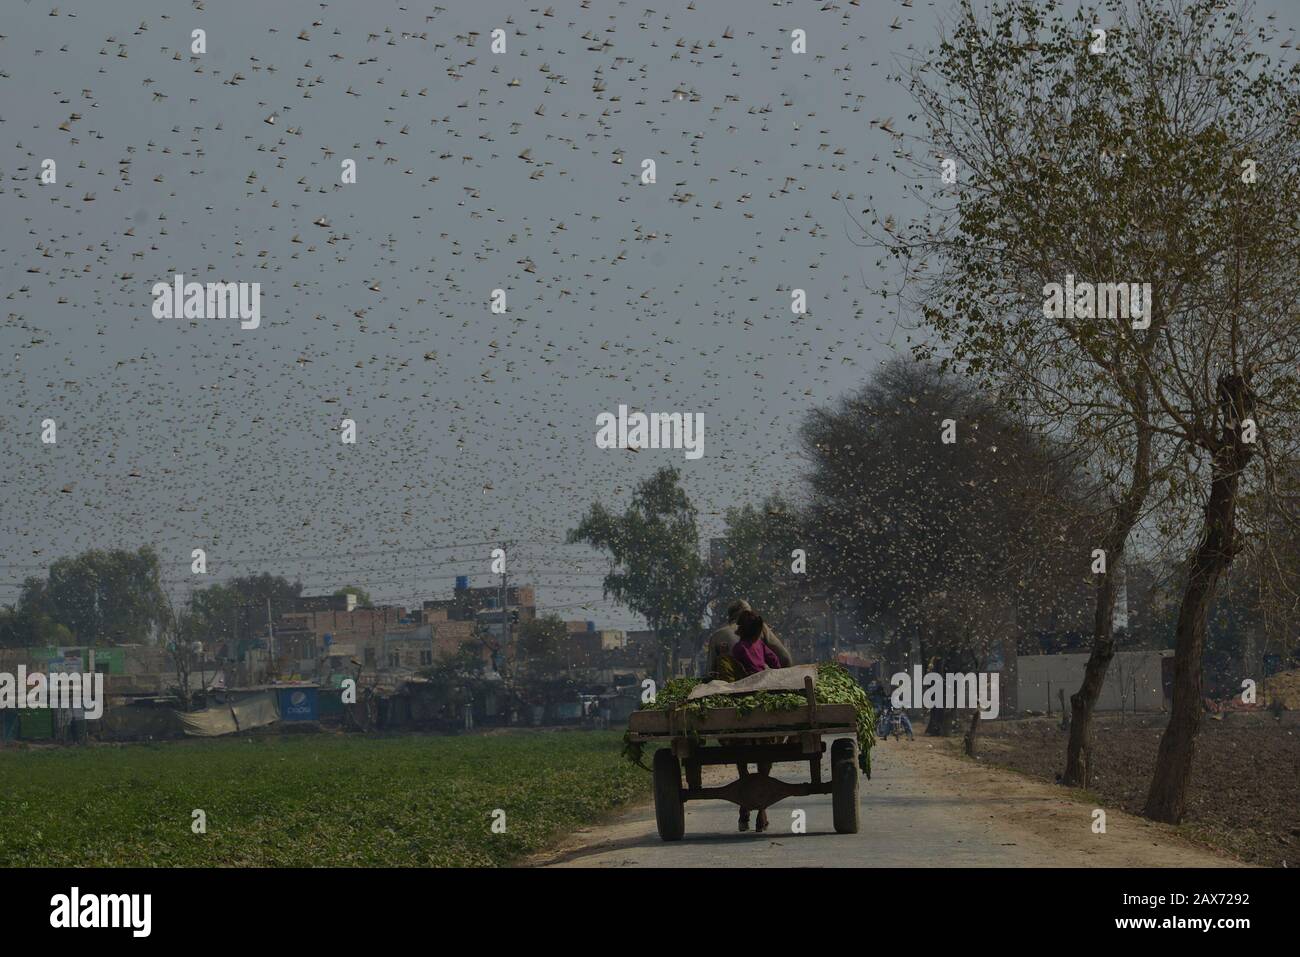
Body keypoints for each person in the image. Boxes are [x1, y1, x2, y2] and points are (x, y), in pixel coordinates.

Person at [729, 608, 783, 833]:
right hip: (764, 697)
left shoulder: (738, 648)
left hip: (744, 699)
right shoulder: (761, 645)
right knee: (766, 755)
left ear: (740, 629)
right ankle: (761, 811)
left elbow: (733, 672)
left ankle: (745, 807)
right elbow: (777, 663)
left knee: (740, 756)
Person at [706, 599, 793, 680]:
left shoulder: (717, 636)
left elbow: (710, 672)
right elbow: (785, 658)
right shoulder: (760, 628)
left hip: (731, 684)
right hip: (760, 679)